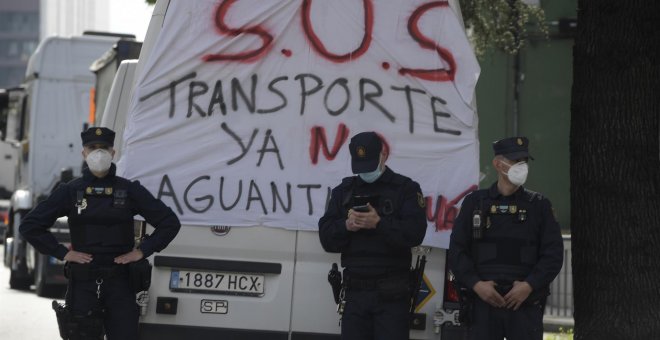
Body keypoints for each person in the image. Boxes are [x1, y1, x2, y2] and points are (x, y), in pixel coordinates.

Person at [20, 127, 181, 340]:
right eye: (92, 147)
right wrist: (62, 253)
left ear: (113, 153)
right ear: (84, 153)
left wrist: (142, 251)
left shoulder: (129, 191)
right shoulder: (70, 191)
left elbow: (169, 223)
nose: (99, 152)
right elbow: (30, 226)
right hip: (83, 283)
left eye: (104, 147)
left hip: (121, 284)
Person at [448, 136, 564, 340]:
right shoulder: (475, 203)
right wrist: (476, 284)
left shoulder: (539, 206)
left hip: (524, 304)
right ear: (498, 164)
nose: (521, 166)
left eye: (524, 161)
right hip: (482, 304)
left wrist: (529, 285)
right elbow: (458, 250)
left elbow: (553, 255)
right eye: (515, 161)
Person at [318, 131, 427, 340]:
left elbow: (415, 233)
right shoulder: (344, 191)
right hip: (355, 293)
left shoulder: (405, 189)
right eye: (360, 166)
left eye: (369, 164)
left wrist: (380, 224)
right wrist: (347, 226)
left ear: (383, 155)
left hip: (392, 294)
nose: (365, 172)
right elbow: (326, 238)